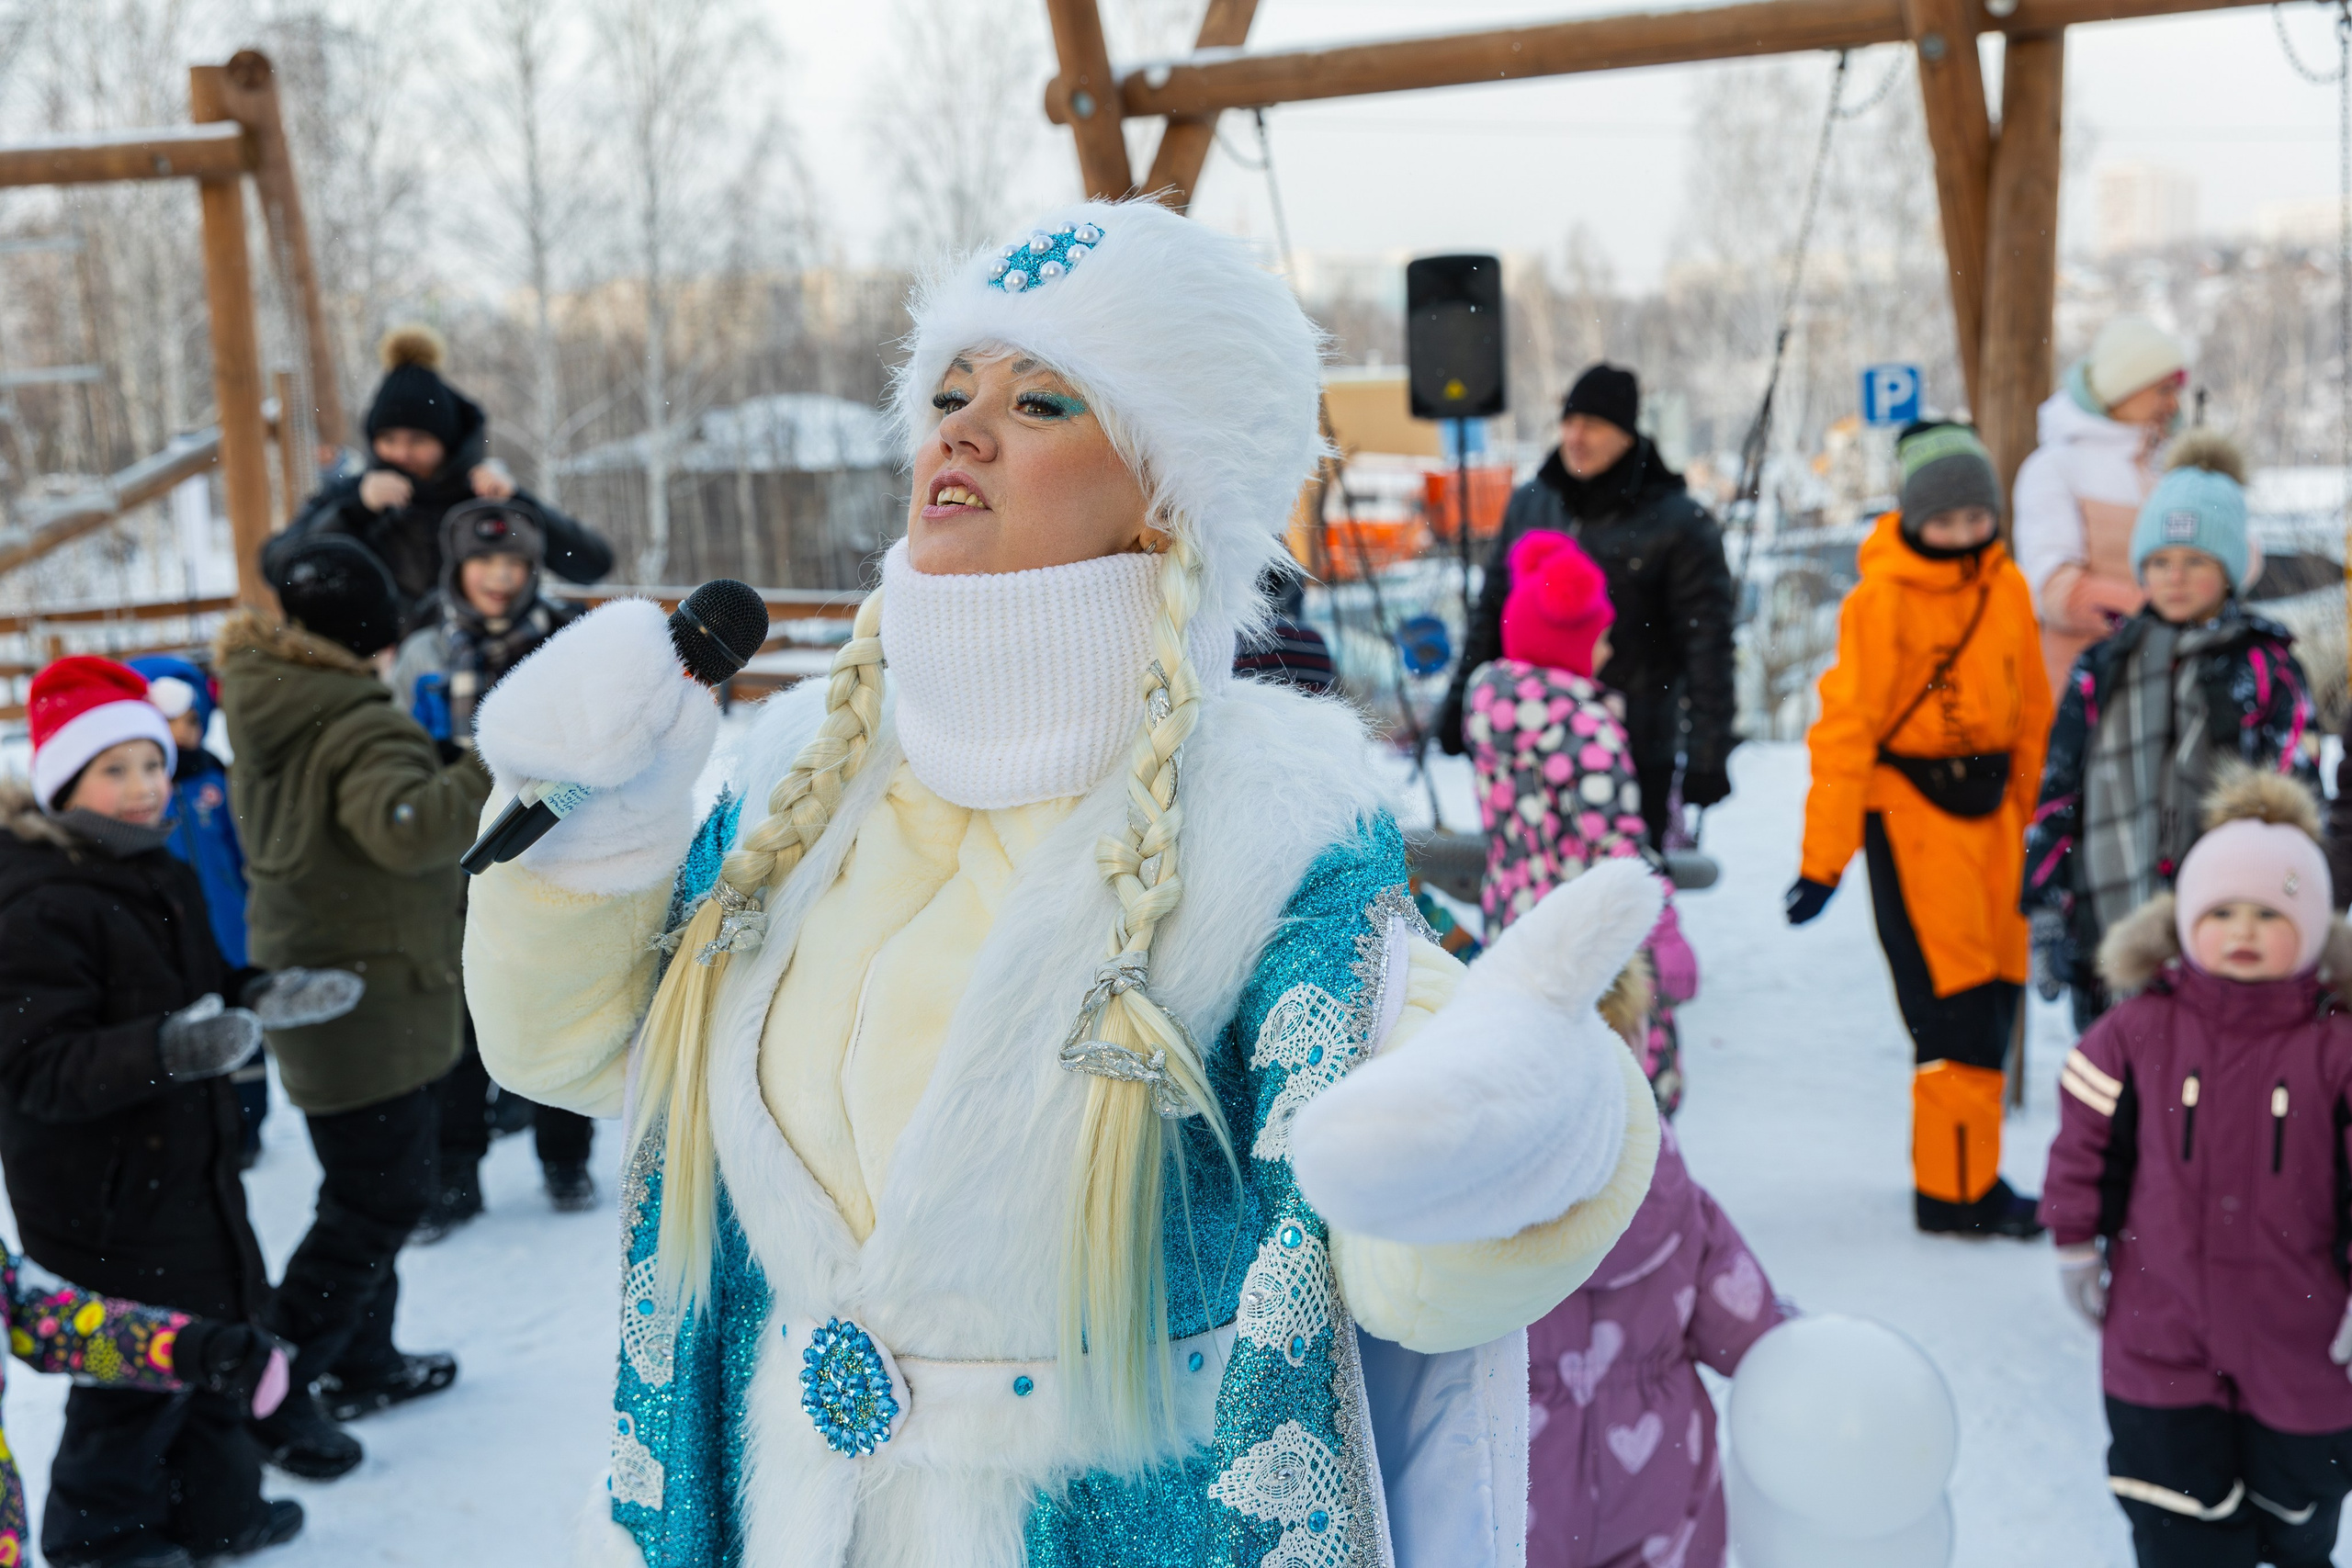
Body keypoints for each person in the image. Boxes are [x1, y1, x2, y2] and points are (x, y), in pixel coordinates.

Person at [463, 200, 1660, 1563]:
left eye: (1040, 400)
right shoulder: (803, 774)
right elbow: (581, 1056)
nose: (959, 431)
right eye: (949, 390)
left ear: (1166, 493)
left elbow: (1408, 1222)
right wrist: (583, 842)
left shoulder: (1274, 829)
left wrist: (1523, 1143)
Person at [0, 657, 356, 1564]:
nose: (143, 787)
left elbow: (200, 987)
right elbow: (36, 1069)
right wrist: (169, 1050)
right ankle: (104, 1545)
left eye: (152, 765)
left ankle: (219, 1517)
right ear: (63, 781)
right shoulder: (36, 904)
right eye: (114, 770)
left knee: (215, 1355)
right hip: (104, 1205)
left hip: (184, 1177)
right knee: (133, 1384)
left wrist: (262, 993)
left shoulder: (156, 869)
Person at [214, 537, 489, 1472]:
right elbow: (407, 830)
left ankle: (362, 1360)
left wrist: (432, 765)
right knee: (380, 1199)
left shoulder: (275, 702)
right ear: (368, 634)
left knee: (362, 1186)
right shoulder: (354, 717)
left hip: (325, 979)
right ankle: (275, 1385)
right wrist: (478, 769)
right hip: (369, 992)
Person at [2041, 766, 2352, 1567]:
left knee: (2299, 1516)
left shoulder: (2337, 1047)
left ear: (2313, 927)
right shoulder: (2138, 1031)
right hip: (2161, 1327)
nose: (2242, 929)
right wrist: (2076, 1239)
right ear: (2185, 921)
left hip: (2304, 1337)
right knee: (2175, 1515)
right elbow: (2084, 1142)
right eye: (2221, 911)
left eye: (2268, 913)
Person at [1787, 423, 2052, 1237]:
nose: (1965, 533)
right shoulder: (1881, 601)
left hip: (1998, 819)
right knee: (1955, 1013)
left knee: (2000, 996)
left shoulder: (2006, 586)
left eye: (1978, 518)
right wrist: (1823, 861)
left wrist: (2049, 824)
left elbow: (2034, 712)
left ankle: (1973, 1173)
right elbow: (1845, 730)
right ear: (1914, 519)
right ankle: (1954, 1193)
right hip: (1912, 818)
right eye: (1947, 520)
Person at [2022, 434, 2315, 1031]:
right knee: (2117, 1098)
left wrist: (2295, 898)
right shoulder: (2104, 665)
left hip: (2230, 922)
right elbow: (2061, 789)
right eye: (2158, 561)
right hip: (2107, 915)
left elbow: (2295, 794)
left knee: (2209, 1101)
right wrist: (2048, 903)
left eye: (2195, 561)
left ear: (2229, 570)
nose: (2173, 577)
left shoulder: (2263, 663)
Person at [1527, 960, 1782, 1568]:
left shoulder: (1484, 1201)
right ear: (1637, 1046)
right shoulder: (1677, 1198)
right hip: (1660, 1478)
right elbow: (1747, 1331)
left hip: (1526, 1471)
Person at [388, 500, 596, 1230]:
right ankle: (454, 1170)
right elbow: (397, 751)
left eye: (513, 565)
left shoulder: (565, 640)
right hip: (455, 861)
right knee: (462, 1015)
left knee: (552, 1004)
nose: (500, 579)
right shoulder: (426, 651)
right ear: (458, 568)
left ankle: (565, 1155)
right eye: (484, 564)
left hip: (551, 846)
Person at [1438, 363, 1737, 848]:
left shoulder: (1678, 522)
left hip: (1632, 745)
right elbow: (1491, 611)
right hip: (1525, 739)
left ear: (1625, 434)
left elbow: (1708, 645)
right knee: (1529, 879)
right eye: (1569, 422)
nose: (1576, 437)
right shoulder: (1531, 503)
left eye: (1593, 426)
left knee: (1619, 894)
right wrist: (1457, 705)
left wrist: (1708, 752)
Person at [1459, 530, 1695, 1113]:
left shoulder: (1490, 708)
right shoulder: (1585, 730)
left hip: (1518, 921)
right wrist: (1662, 928)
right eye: (1601, 639)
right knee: (1620, 1090)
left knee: (1543, 1081)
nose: (1609, 652)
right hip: (1589, 938)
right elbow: (1617, 847)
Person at [263, 324, 613, 629]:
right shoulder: (351, 498)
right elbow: (278, 568)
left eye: (417, 440)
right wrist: (354, 512)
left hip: (477, 670)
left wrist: (519, 502)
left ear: (446, 443)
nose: (401, 453)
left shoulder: (483, 496)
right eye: (389, 440)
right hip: (381, 674)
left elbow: (591, 565)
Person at [127, 655, 269, 1165]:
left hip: (229, 928)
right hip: (168, 934)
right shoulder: (142, 790)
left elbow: (241, 845)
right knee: (188, 1026)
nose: (181, 733)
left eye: (190, 721)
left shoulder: (214, 776)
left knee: (239, 1025)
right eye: (167, 722)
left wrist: (252, 897)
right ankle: (201, 1123)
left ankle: (249, 1124)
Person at [2012, 315, 2190, 697]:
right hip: (2089, 689)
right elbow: (2055, 591)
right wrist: (2166, 612)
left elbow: (2237, 559)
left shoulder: (2174, 467)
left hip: (2175, 685)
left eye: (2177, 389)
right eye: (2162, 389)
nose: (2173, 403)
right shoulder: (2056, 467)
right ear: (2122, 387)